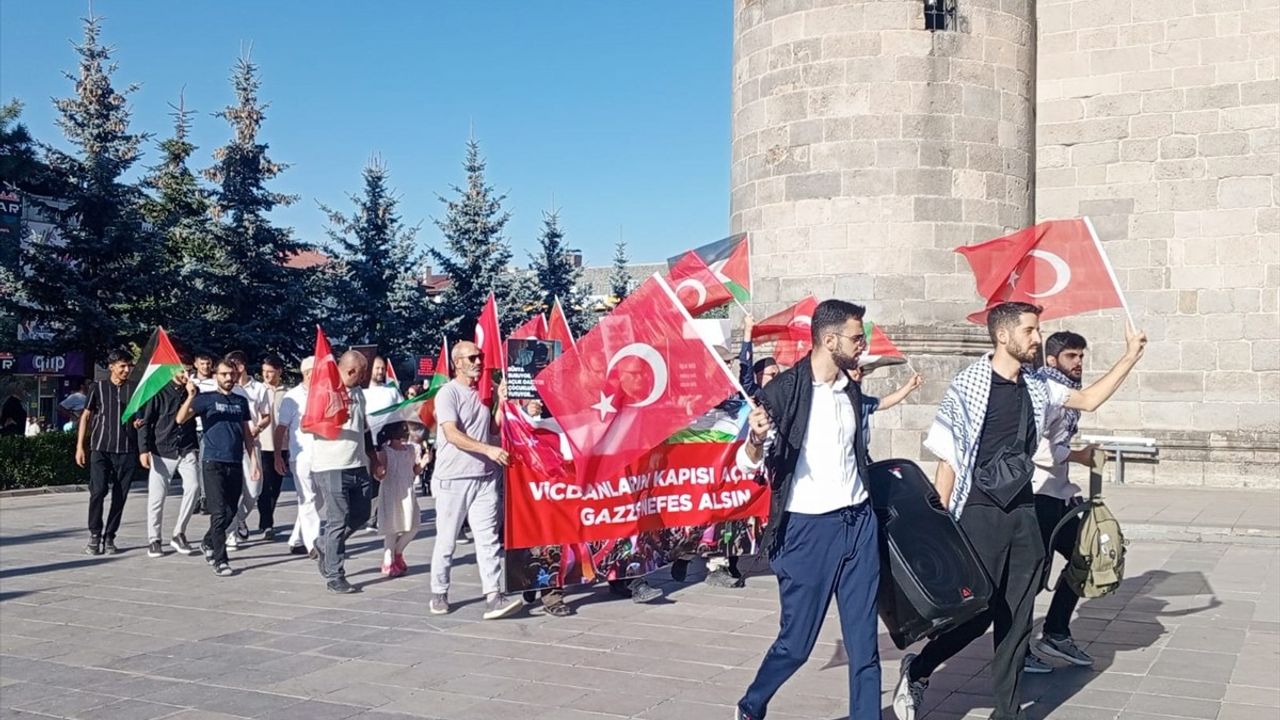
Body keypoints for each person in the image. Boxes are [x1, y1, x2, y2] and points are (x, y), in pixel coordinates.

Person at [893, 303, 1147, 720]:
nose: (1036, 337)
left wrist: (1130, 356)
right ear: (1004, 336)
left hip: (1024, 512)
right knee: (976, 614)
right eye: (1030, 330)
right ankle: (919, 670)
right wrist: (940, 525)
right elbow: (948, 458)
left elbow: (1089, 399)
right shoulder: (969, 384)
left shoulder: (1039, 385)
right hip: (978, 511)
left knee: (1017, 617)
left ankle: (1008, 713)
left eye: (1037, 329)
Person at [733, 300, 880, 720]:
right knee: (796, 644)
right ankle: (752, 702)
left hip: (859, 523)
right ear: (829, 340)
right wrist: (757, 440)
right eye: (856, 337)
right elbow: (747, 463)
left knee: (863, 643)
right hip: (807, 530)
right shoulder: (783, 391)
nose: (863, 344)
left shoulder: (850, 388)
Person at [428, 340, 522, 620]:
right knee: (447, 540)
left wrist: (501, 404)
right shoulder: (448, 393)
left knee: (489, 538)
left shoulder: (487, 390)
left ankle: (493, 596)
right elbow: (452, 434)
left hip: (484, 476)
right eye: (472, 357)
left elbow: (492, 428)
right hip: (453, 477)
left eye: (480, 356)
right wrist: (488, 449)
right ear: (457, 362)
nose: (479, 361)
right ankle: (439, 592)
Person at [1027, 331, 1098, 670]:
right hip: (1035, 496)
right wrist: (1079, 456)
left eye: (1082, 356)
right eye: (1072, 356)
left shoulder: (1066, 395)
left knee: (1084, 558)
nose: (1079, 362)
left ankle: (1055, 632)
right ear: (1053, 359)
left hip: (1057, 496)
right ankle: (1016, 649)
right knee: (1030, 578)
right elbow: (1039, 448)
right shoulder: (1045, 391)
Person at [175, 359, 259, 577]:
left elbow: (247, 434)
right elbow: (181, 418)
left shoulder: (241, 401)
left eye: (231, 374)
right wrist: (191, 396)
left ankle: (207, 541)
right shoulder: (206, 399)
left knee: (231, 511)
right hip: (213, 461)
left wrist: (254, 462)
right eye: (224, 374)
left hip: (234, 461)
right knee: (219, 512)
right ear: (216, 376)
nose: (228, 378)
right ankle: (220, 560)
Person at [309, 350, 384, 594]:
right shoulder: (324, 389)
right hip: (331, 465)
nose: (364, 379)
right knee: (338, 520)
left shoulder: (358, 393)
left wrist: (373, 459)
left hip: (357, 463)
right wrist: (333, 416)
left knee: (362, 514)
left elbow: (364, 428)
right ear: (351, 371)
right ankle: (334, 575)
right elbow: (309, 424)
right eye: (362, 374)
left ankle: (323, 544)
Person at [76, 349, 139, 556]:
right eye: (122, 366)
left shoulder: (134, 389)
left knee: (120, 496)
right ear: (111, 366)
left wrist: (139, 422)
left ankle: (110, 535)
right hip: (101, 448)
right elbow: (86, 417)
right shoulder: (98, 388)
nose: (126, 370)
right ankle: (95, 534)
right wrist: (80, 447)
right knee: (98, 492)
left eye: (129, 366)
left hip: (126, 449)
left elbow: (141, 417)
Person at [139, 359, 201, 558]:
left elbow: (190, 414)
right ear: (172, 370)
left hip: (187, 447)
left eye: (189, 371)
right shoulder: (158, 391)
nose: (186, 375)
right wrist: (143, 449)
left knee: (193, 487)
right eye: (182, 371)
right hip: (162, 448)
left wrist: (191, 395)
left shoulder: (193, 391)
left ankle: (179, 532)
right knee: (157, 497)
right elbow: (145, 422)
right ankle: (154, 539)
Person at [225, 351, 272, 548]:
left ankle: (239, 518)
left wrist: (258, 427)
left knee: (254, 490)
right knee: (232, 490)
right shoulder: (228, 389)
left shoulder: (259, 389)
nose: (229, 374)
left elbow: (266, 416)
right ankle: (230, 532)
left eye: (232, 367)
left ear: (241, 367)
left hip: (252, 444)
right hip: (232, 445)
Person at [276, 356, 320, 557]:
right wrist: (278, 456)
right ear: (308, 372)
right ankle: (314, 545)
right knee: (308, 499)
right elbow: (281, 429)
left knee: (316, 500)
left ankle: (296, 538)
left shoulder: (324, 394)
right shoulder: (291, 397)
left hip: (323, 455)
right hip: (300, 456)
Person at [376, 421, 426, 577]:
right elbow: (380, 474)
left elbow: (414, 471)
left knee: (413, 525)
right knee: (392, 528)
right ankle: (388, 561)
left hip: (407, 490)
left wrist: (424, 462)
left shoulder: (411, 450)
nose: (405, 434)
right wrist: (379, 470)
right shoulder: (386, 451)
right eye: (402, 431)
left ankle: (398, 552)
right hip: (391, 492)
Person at [362, 355, 404, 533]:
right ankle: (365, 513)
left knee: (383, 479)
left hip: (384, 443)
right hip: (364, 442)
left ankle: (377, 517)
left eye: (382, 368)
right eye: (377, 368)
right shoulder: (361, 392)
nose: (380, 372)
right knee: (366, 481)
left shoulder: (392, 392)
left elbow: (402, 412)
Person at [255, 355, 288, 540]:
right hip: (263, 444)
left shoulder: (287, 393)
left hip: (282, 445)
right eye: (264, 372)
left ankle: (268, 518)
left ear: (279, 371)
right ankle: (266, 523)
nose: (266, 375)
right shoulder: (259, 390)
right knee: (265, 486)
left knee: (276, 486)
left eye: (270, 372)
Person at [190, 352, 217, 515]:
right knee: (191, 465)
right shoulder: (189, 381)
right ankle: (194, 497)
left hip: (206, 428)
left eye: (208, 364)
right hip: (189, 428)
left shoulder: (215, 383)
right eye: (202, 363)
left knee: (203, 463)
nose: (205, 367)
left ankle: (204, 498)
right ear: (196, 364)